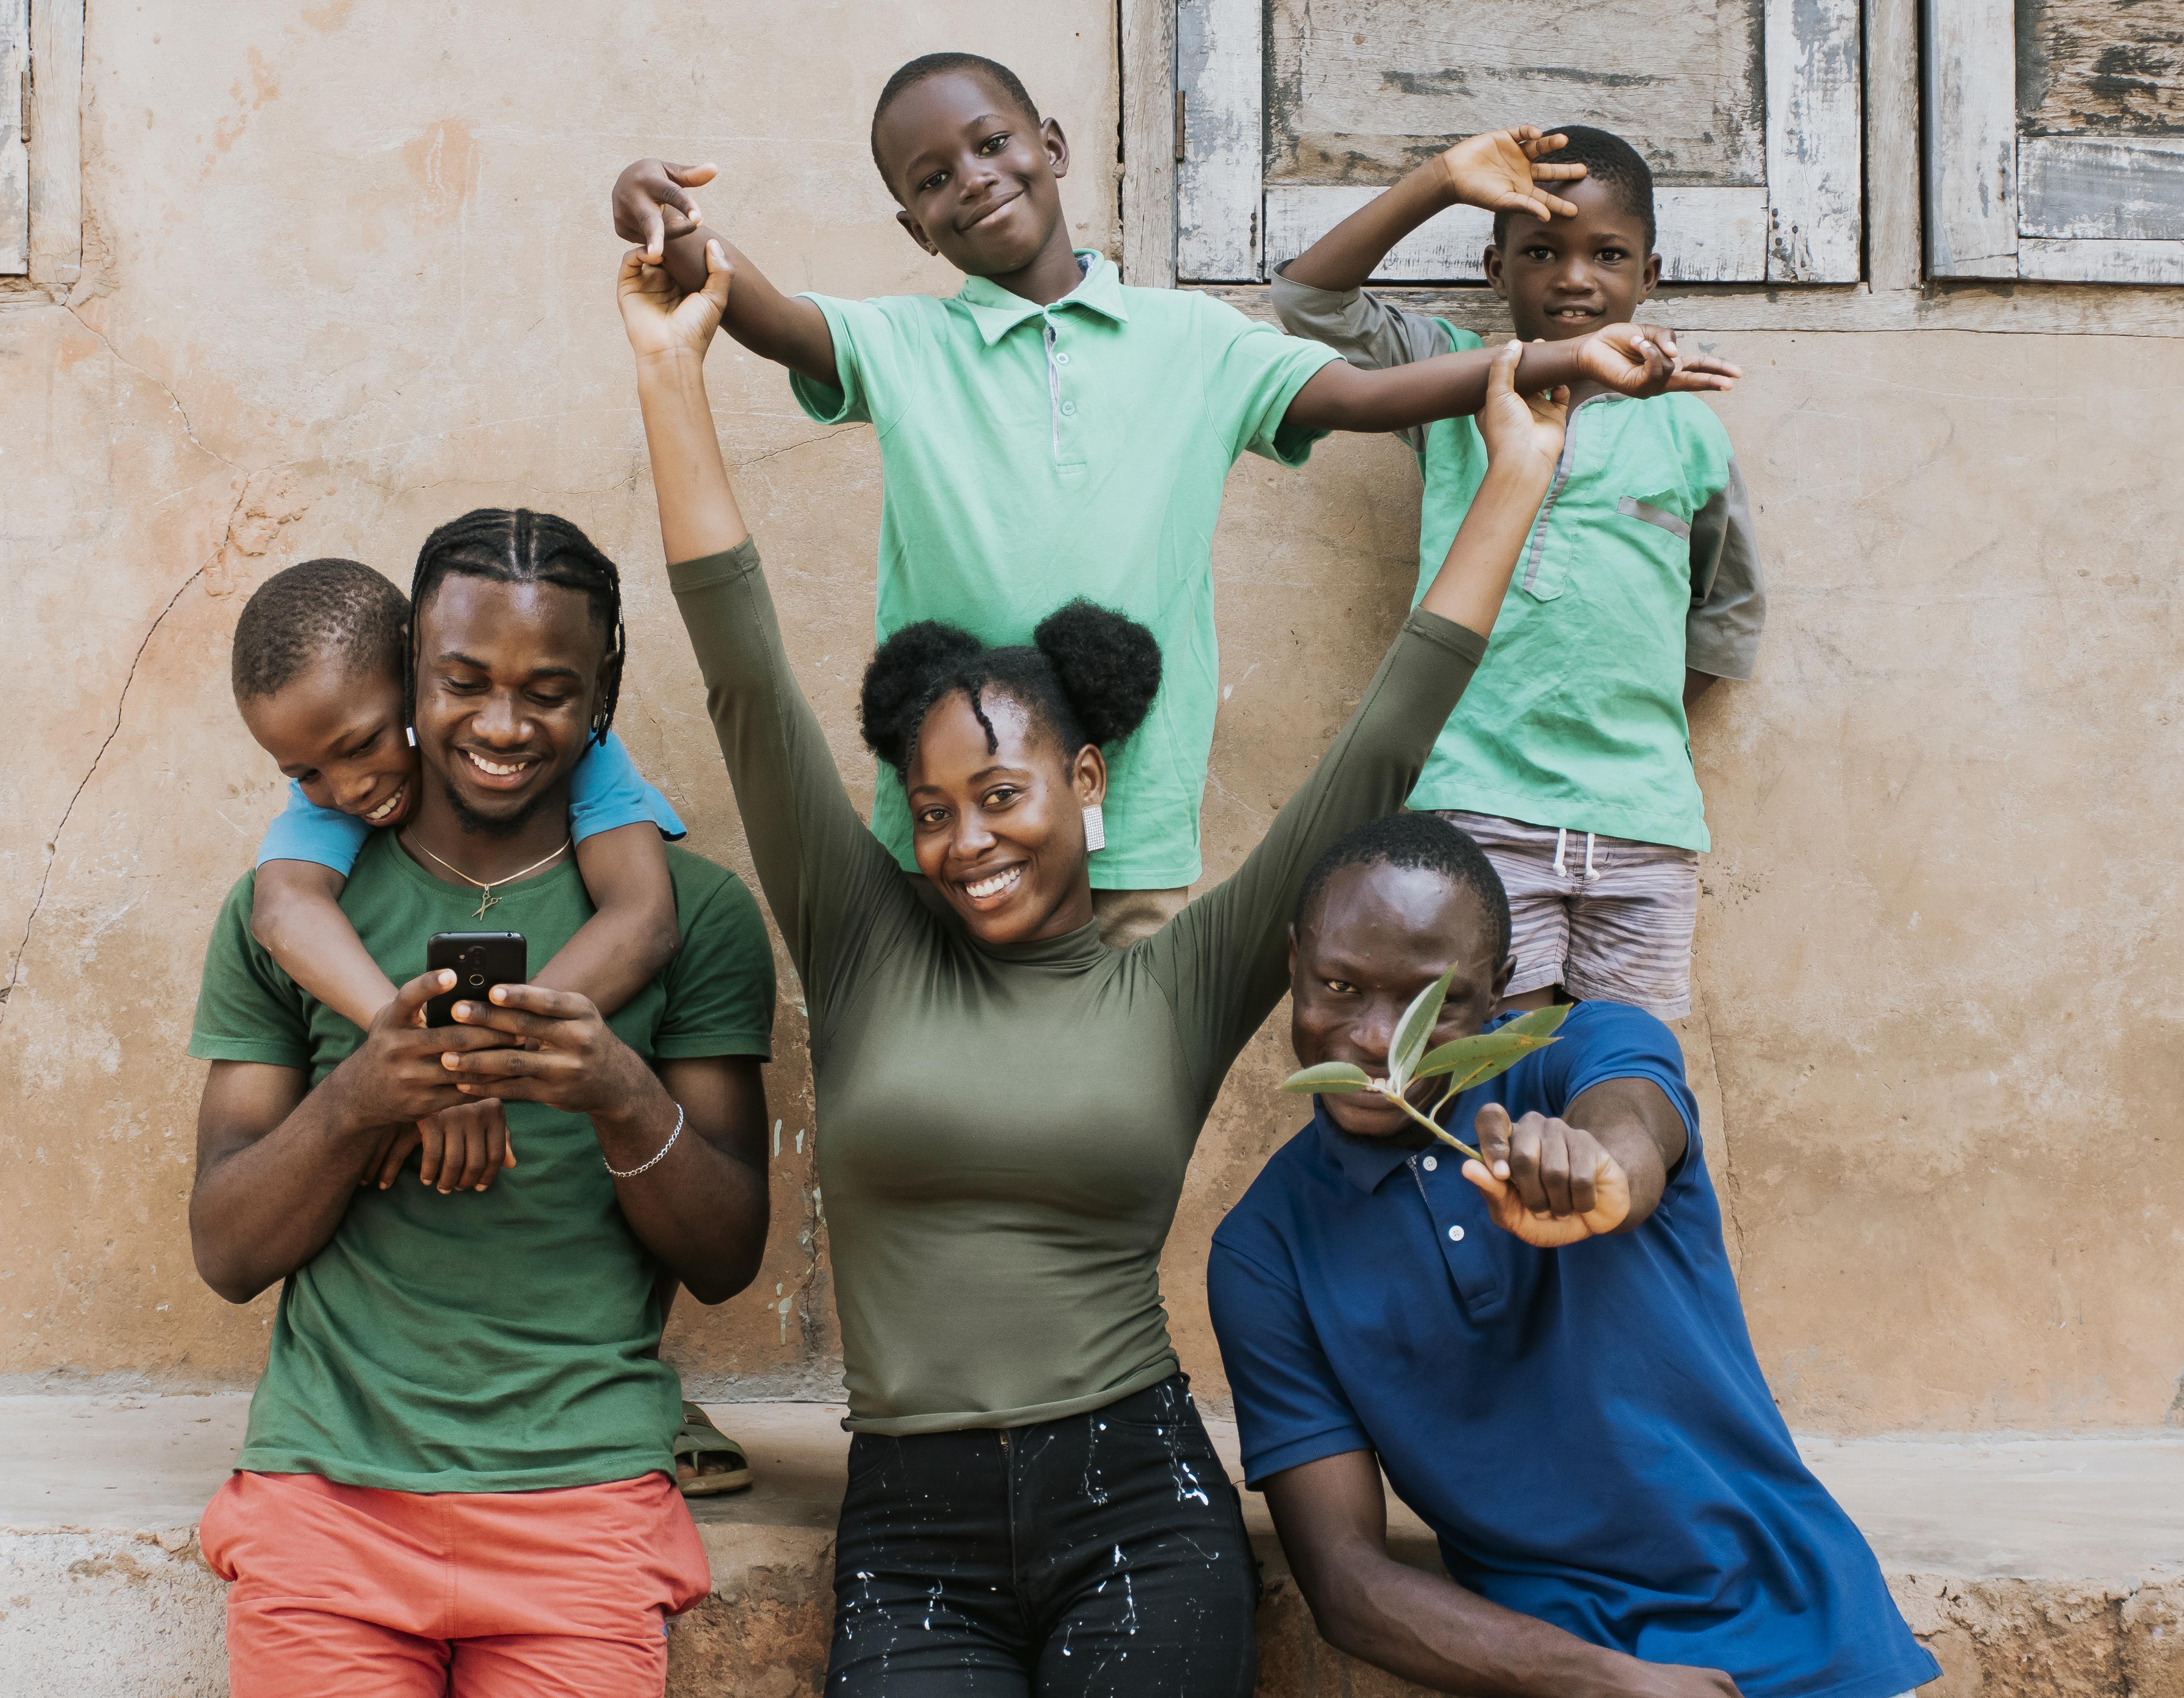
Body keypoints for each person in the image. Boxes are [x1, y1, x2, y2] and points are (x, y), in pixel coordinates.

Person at [617, 233, 1567, 1694]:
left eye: (1003, 795)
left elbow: (1383, 739)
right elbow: (740, 659)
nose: (964, 840)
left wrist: (1511, 473)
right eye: (931, 809)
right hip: (913, 1532)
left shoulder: (1177, 983)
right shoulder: (862, 941)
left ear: (1087, 780)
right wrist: (672, 367)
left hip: (1136, 1503)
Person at [612, 61, 1737, 945]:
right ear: (916, 228)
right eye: (933, 177)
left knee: (1114, 1128)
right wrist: (662, 218)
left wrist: (1564, 362)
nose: (973, 178)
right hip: (947, 835)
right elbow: (757, 311)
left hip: (1134, 838)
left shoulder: (1194, 340)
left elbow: (1365, 391)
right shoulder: (900, 343)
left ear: (1049, 147)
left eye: (993, 143)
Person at [187, 508, 778, 1695]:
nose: (502, 726)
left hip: (583, 1502)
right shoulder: (298, 915)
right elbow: (227, 1247)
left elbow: (724, 1256)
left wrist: (615, 1091)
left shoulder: (694, 915)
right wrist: (363, 1097)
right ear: (408, 667)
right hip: (328, 1499)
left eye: (550, 691)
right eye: (461, 682)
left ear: (604, 690)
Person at [1205, 812, 1940, 1698]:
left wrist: (1597, 1172)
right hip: (1569, 1669)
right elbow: (1348, 1582)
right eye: (1338, 984)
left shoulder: (1581, 1053)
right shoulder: (1264, 1251)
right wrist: (1609, 1683)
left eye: (1426, 1003)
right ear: (1293, 961)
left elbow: (1632, 1122)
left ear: (1498, 993)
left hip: (1814, 1638)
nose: (1373, 1038)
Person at [1274, 126, 1766, 1019]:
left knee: (1627, 1071)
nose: (1575, 276)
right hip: (1477, 812)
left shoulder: (1692, 428)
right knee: (1497, 1070)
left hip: (1642, 823)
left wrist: (1610, 711)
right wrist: (1436, 182)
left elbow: (1725, 615)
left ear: (1649, 275)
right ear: (1497, 272)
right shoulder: (1457, 381)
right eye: (1542, 250)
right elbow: (1310, 299)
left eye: (1608, 254)